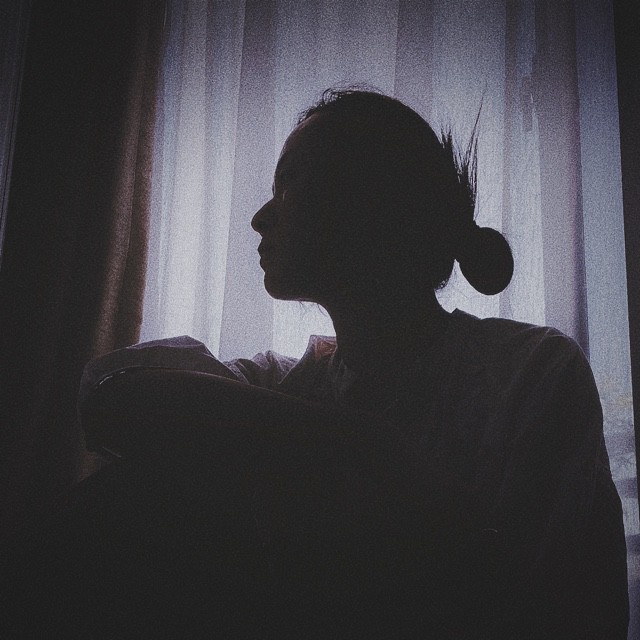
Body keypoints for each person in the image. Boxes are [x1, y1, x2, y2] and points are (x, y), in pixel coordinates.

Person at [3, 89, 630, 638]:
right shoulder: (287, 384)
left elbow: (559, 608)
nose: (261, 217)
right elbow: (111, 394)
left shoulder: (528, 371)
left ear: (374, 201)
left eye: (291, 182)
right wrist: (354, 446)